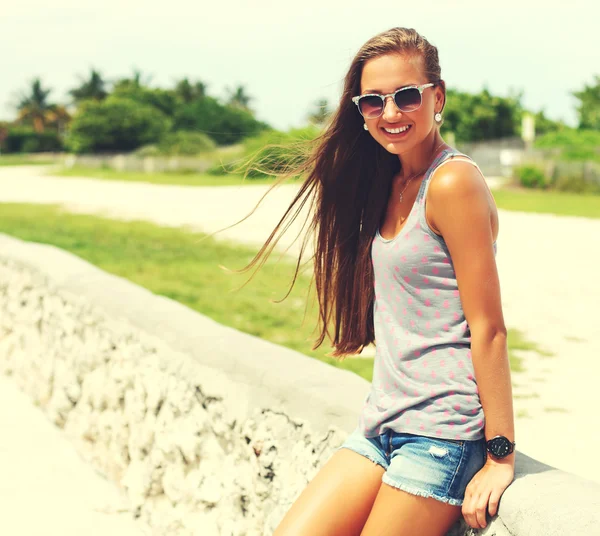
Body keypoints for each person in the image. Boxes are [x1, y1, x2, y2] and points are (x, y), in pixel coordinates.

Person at [241, 27, 515, 535]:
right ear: (360, 110)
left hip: (441, 435)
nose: (391, 114)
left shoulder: (453, 182)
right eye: (373, 102)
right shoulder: (387, 181)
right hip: (381, 426)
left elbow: (489, 327)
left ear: (438, 97)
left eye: (406, 96)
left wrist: (500, 455)